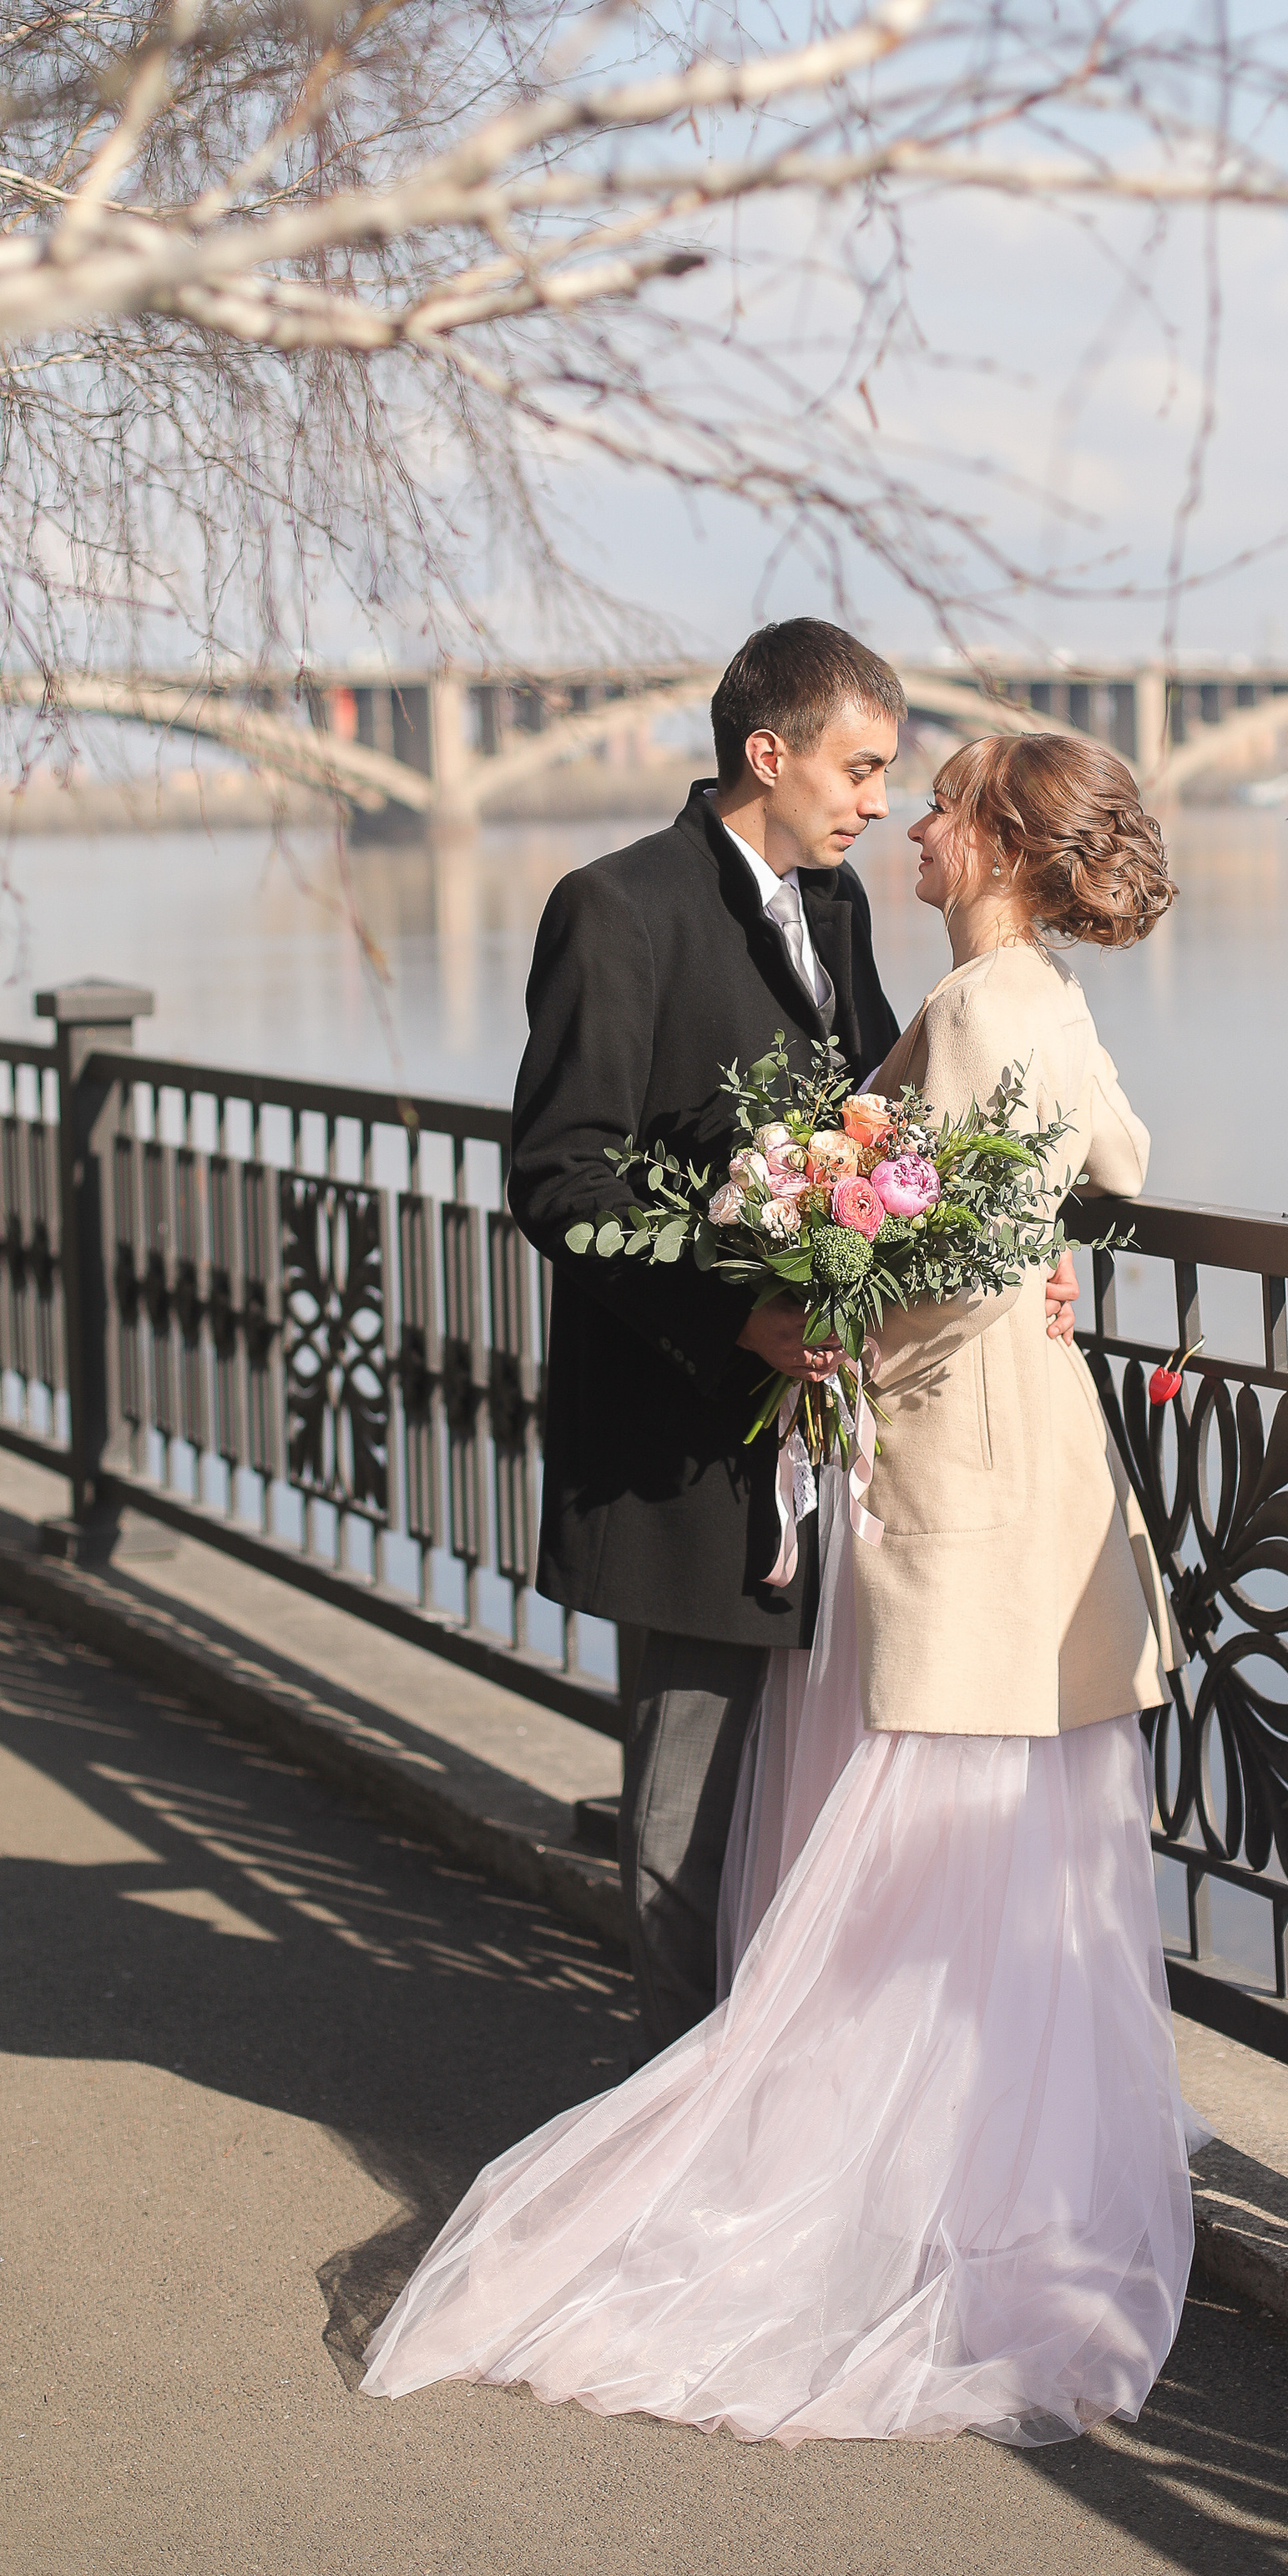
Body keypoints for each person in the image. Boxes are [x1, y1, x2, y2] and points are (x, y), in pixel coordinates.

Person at [365, 731, 1205, 2446]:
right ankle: (978, 2181)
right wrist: (1041, 1250)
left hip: (953, 1466)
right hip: (1012, 1463)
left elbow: (960, 1245)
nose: (909, 818)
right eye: (887, 776)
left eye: (942, 798)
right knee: (989, 1852)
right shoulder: (1026, 995)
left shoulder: (978, 1004)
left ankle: (879, 2176)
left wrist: (850, 1306)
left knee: (912, 1831)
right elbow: (1111, 1166)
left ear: (1003, 847)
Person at [503, 618, 906, 2052]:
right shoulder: (616, 907)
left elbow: (884, 1130)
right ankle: (670, 2137)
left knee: (805, 1816)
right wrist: (738, 1312)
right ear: (768, 752)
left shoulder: (840, 910)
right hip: (684, 1445)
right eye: (859, 770)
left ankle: (771, 2104)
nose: (876, 804)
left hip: (825, 1442)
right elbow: (561, 1179)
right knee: (685, 1827)